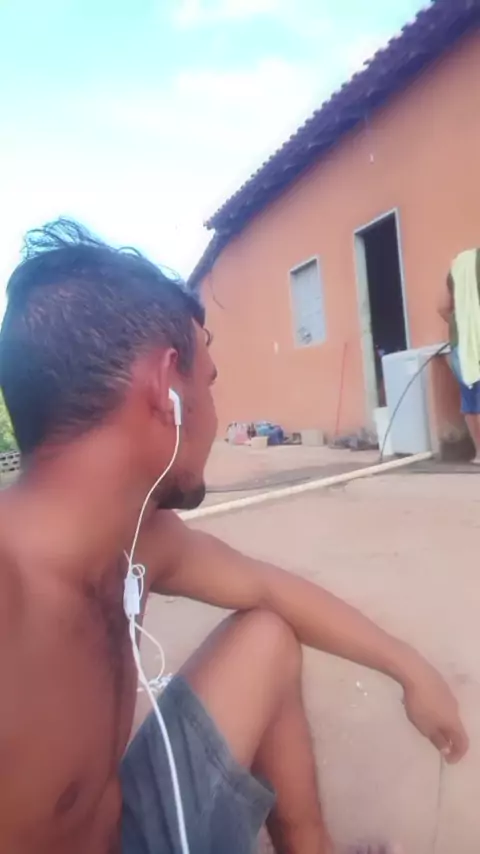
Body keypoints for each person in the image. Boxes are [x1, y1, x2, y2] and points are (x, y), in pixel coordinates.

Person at [0, 220, 468, 854]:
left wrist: (409, 668)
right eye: (211, 382)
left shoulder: (139, 537)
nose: (216, 415)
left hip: (122, 831)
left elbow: (268, 588)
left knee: (266, 635)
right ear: (168, 388)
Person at [439, 248, 480, 463]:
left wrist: (462, 326)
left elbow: (442, 307)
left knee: (471, 400)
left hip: (462, 345)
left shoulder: (459, 265)